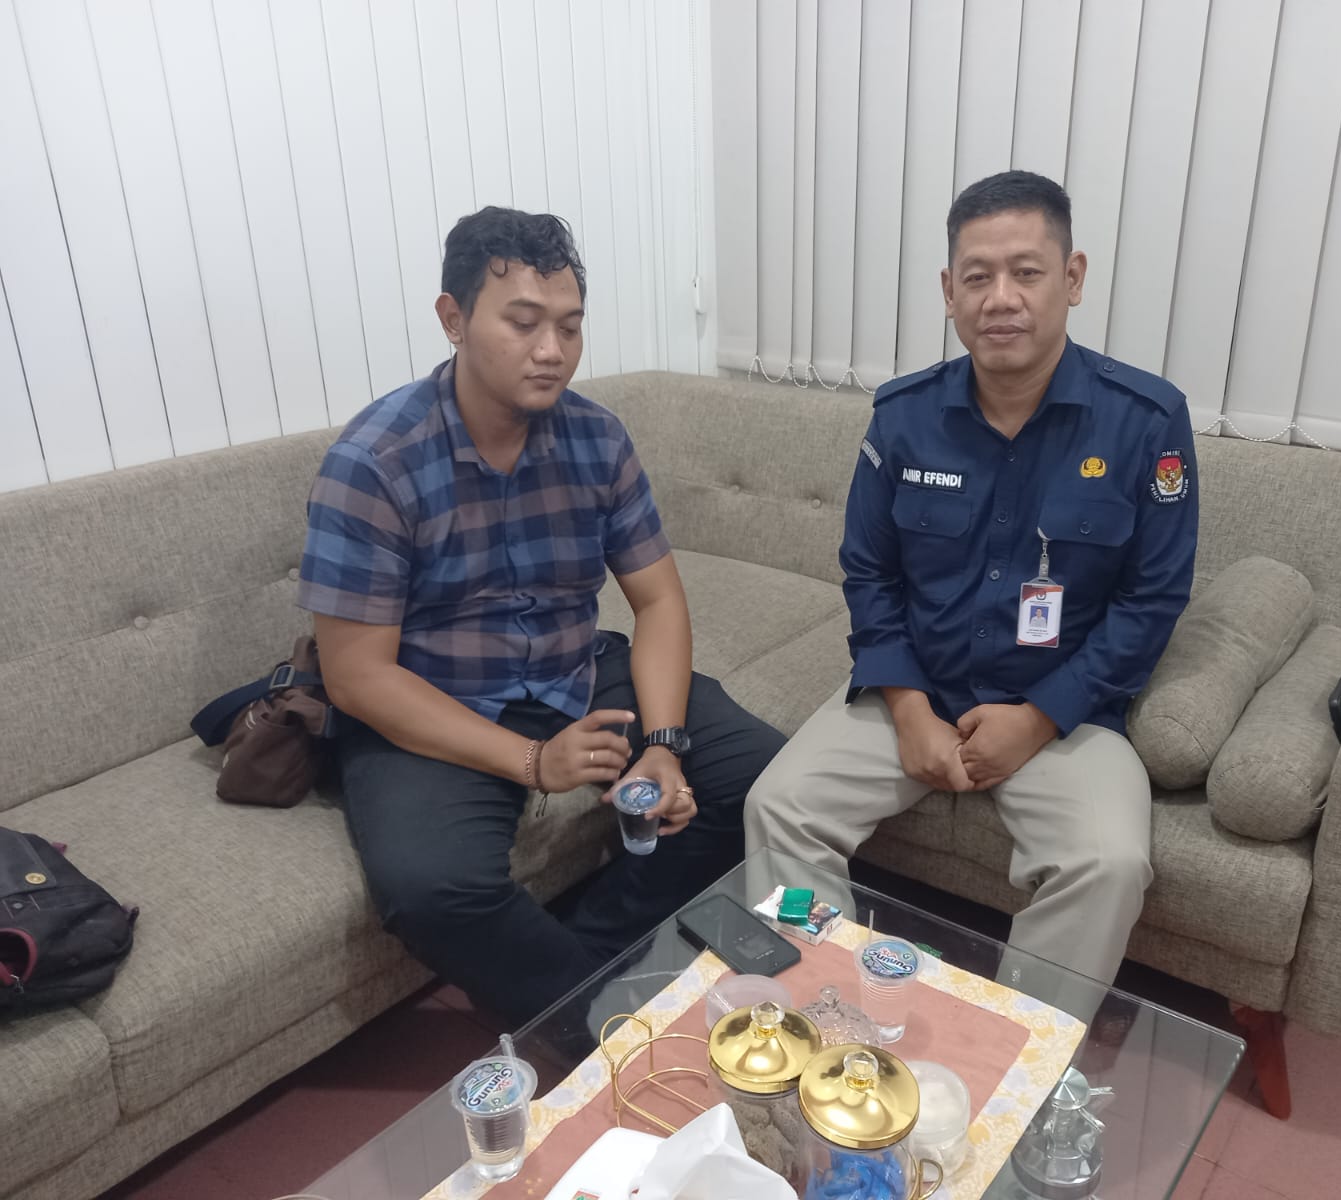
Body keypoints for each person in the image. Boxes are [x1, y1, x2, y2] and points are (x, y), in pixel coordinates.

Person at [299, 207, 785, 1027]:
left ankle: (592, 949)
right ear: (454, 319)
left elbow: (659, 599)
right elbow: (357, 677)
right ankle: (604, 1025)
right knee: (430, 885)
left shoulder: (597, 438)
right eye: (523, 323)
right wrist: (532, 761)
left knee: (757, 774)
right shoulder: (375, 463)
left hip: (572, 667)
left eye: (569, 325)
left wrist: (663, 746)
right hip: (433, 698)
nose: (552, 349)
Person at [745, 171, 1198, 988]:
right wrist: (910, 713)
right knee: (777, 807)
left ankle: (1013, 1049)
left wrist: (1037, 719)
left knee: (1108, 862)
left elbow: (1151, 600)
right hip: (916, 686)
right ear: (949, 292)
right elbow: (870, 574)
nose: (1002, 299)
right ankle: (825, 1009)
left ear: (1073, 278)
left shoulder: (1145, 421)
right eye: (978, 276)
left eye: (1027, 272)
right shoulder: (903, 415)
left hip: (1063, 710)